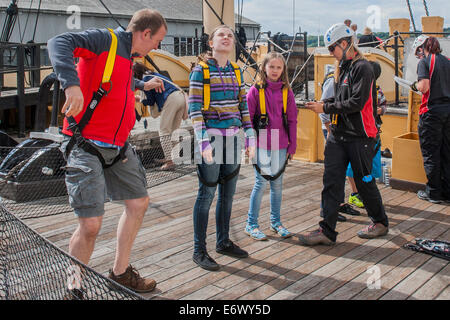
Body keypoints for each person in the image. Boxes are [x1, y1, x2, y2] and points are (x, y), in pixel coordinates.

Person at [47, 8, 167, 295]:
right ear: (145, 33)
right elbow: (58, 43)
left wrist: (140, 84)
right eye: (158, 40)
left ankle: (120, 272)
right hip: (86, 144)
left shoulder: (128, 58)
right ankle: (74, 287)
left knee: (138, 203)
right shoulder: (105, 40)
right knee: (90, 224)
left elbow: (113, 81)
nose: (157, 47)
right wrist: (71, 85)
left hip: (119, 146)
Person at [300, 23, 389, 245]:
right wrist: (323, 103)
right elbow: (340, 99)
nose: (331, 53)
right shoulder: (343, 69)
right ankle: (326, 230)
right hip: (338, 136)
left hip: (360, 137)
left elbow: (356, 103)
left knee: (365, 180)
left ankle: (380, 222)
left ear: (345, 43)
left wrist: (325, 108)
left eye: (332, 48)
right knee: (331, 181)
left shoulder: (363, 68)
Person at [188, 25, 256, 271]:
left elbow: (243, 107)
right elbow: (194, 110)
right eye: (221, 35)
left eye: (230, 35)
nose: (227, 38)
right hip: (212, 141)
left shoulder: (236, 72)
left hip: (233, 138)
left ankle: (223, 241)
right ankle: (199, 250)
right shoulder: (200, 72)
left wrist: (249, 134)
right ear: (211, 43)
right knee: (206, 195)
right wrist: (203, 142)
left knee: (227, 195)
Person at [244, 52, 297, 241]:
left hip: (281, 142)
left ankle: (276, 222)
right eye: (271, 67)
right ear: (264, 68)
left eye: (278, 67)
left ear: (283, 70)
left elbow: (292, 120)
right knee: (261, 182)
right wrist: (248, 144)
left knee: (277, 184)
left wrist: (292, 146)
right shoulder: (255, 91)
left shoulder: (287, 92)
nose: (275, 71)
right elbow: (247, 119)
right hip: (262, 140)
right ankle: (251, 224)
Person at [411, 35, 450, 204]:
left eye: (418, 53)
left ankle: (433, 192)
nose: (418, 57)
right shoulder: (447, 60)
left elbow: (424, 86)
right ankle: (447, 191)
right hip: (448, 110)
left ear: (422, 48)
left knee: (431, 152)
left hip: (432, 111)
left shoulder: (425, 62)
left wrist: (415, 85)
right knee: (447, 152)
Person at [319, 68, 360, 219]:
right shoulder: (333, 79)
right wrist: (329, 129)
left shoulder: (346, 76)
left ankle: (339, 204)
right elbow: (323, 107)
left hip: (341, 130)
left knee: (339, 171)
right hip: (332, 129)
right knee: (332, 173)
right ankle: (327, 209)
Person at [133, 63, 189, 171]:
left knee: (164, 131)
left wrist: (139, 99)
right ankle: (174, 158)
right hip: (180, 97)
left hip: (170, 99)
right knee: (174, 131)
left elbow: (149, 100)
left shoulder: (146, 80)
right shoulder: (154, 75)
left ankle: (169, 161)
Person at [346, 61, 386, 208]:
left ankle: (368, 193)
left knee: (372, 164)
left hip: (373, 133)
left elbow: (383, 106)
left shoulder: (377, 90)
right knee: (353, 165)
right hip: (358, 134)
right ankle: (355, 193)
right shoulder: (355, 88)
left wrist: (377, 110)